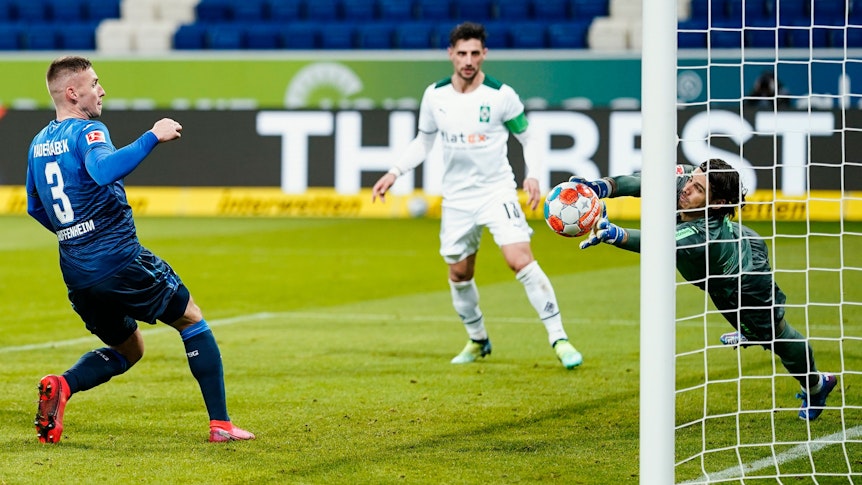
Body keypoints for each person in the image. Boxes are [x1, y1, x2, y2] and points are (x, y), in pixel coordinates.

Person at [25, 56, 254, 443]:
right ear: (71, 92)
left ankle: (63, 386)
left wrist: (76, 233)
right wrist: (152, 135)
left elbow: (34, 206)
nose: (101, 90)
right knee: (191, 319)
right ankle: (221, 425)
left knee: (129, 349)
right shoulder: (88, 131)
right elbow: (103, 171)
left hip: (77, 271)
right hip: (119, 259)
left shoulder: (38, 143)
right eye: (94, 83)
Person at [371, 22, 583, 370]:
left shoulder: (500, 95)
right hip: (457, 199)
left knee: (520, 259)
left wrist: (532, 175)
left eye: (474, 53)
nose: (468, 60)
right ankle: (478, 339)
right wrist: (395, 172)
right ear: (451, 54)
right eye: (462, 53)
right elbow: (424, 141)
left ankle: (559, 338)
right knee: (459, 274)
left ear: (484, 54)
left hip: (496, 191)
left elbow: (528, 138)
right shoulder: (435, 95)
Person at [574, 159, 837, 420]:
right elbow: (643, 182)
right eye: (691, 180)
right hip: (742, 240)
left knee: (777, 336)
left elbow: (660, 242)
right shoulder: (690, 184)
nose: (687, 188)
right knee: (757, 328)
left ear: (718, 203)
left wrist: (614, 234)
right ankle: (752, 330)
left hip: (743, 285)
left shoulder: (701, 234)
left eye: (698, 188)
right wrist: (600, 188)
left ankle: (817, 385)